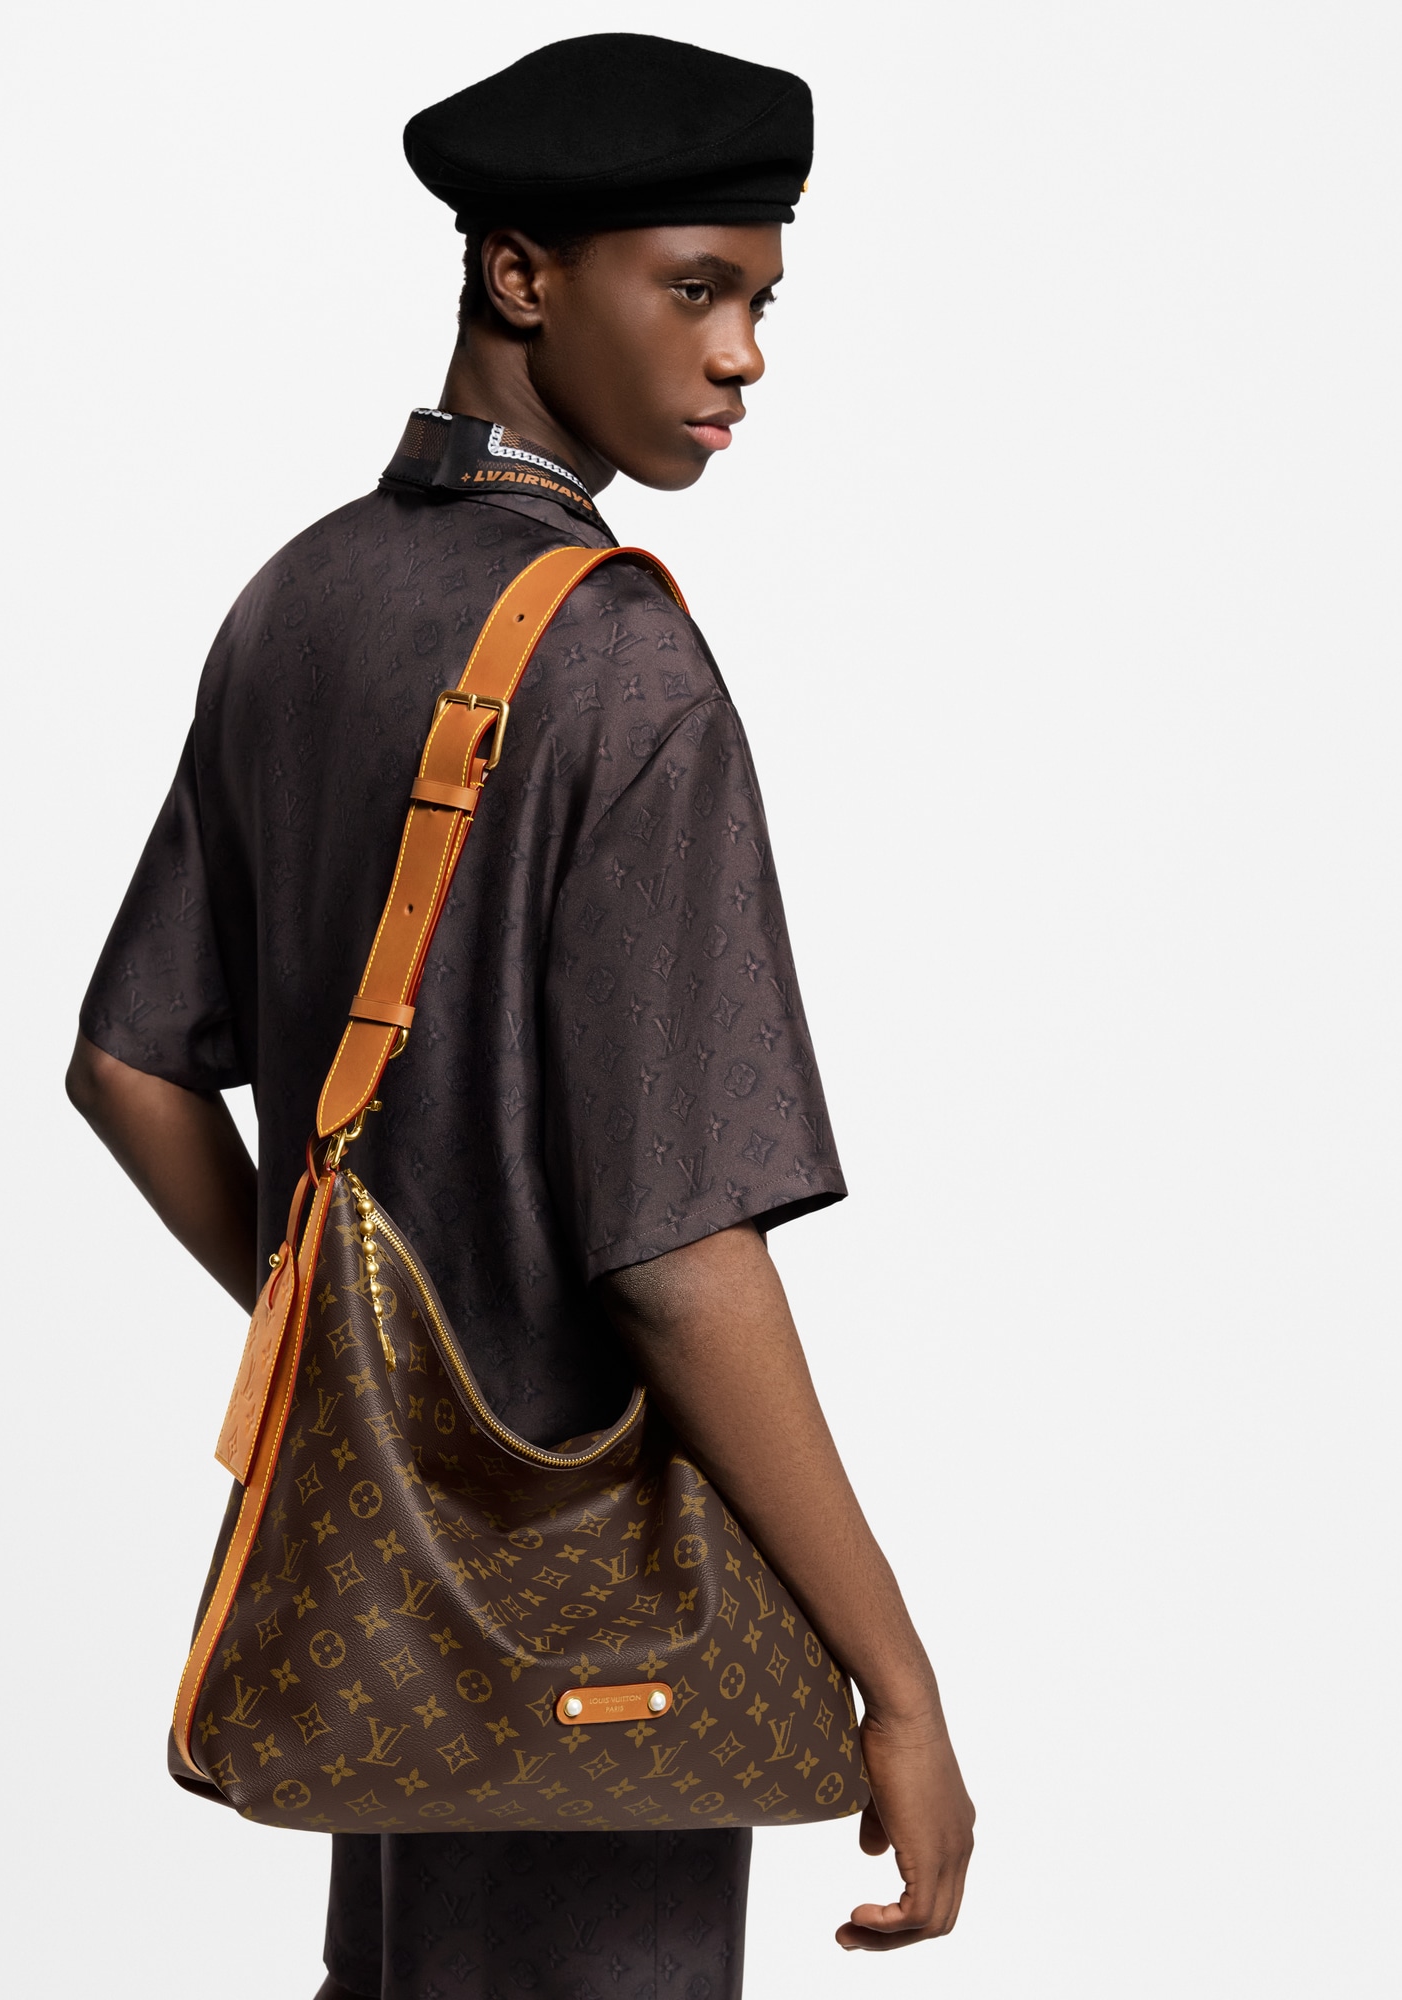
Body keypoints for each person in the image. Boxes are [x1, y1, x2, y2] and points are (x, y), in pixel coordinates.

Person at [67, 33, 974, 1999]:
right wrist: (895, 1682)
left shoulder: (297, 600)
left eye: (763, 302)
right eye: (697, 287)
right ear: (520, 275)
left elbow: (130, 1064)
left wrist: (364, 1374)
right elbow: (677, 1256)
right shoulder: (622, 662)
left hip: (389, 1591)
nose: (743, 354)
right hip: (601, 1633)